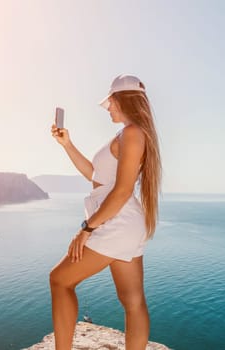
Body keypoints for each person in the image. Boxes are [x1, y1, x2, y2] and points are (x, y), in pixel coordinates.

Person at [49, 74, 162, 350]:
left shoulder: (133, 133)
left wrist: (86, 229)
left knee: (60, 280)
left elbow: (122, 191)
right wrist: (67, 145)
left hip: (116, 221)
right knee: (132, 300)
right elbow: (95, 175)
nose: (108, 108)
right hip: (124, 222)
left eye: (109, 102)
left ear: (121, 100)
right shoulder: (128, 133)